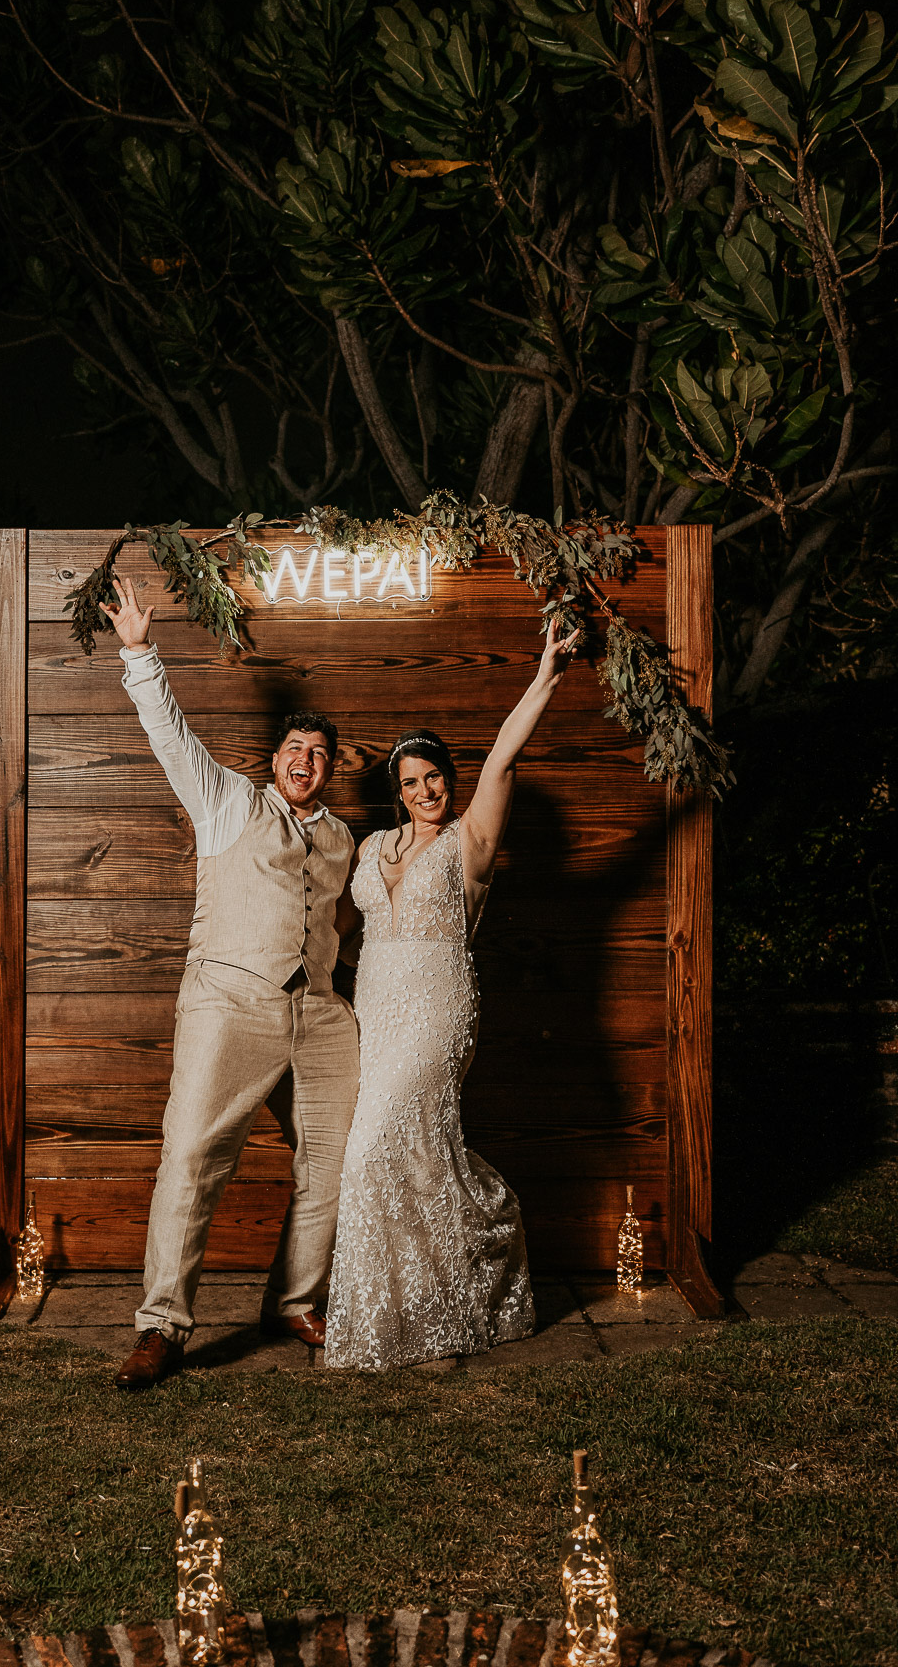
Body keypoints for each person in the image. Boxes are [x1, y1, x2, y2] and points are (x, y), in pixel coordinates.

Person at [99, 574, 360, 1389]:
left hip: (317, 1012)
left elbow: (346, 925)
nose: (306, 763)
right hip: (230, 1002)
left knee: (333, 1159)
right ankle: (162, 1328)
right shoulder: (228, 804)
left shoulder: (348, 839)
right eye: (295, 750)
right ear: (275, 758)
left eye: (320, 755)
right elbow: (170, 735)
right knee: (191, 1154)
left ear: (331, 768)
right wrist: (141, 651)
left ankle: (293, 1300)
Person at [323, 618, 580, 1371]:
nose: (425, 790)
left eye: (434, 776)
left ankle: (404, 1315)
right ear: (396, 793)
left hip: (438, 1009)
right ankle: (423, 1308)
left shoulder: (471, 841)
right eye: (411, 783)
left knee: (378, 1149)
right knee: (400, 1156)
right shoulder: (371, 849)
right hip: (374, 1005)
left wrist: (546, 672)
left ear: (448, 779)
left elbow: (505, 754)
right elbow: (335, 928)